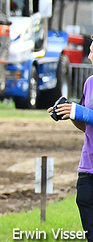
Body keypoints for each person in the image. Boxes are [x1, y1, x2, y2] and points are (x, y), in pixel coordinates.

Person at [50, 42, 93, 241]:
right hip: (88, 168)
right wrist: (69, 112)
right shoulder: (90, 83)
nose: (90, 57)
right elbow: (86, 124)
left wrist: (78, 110)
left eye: (92, 52)